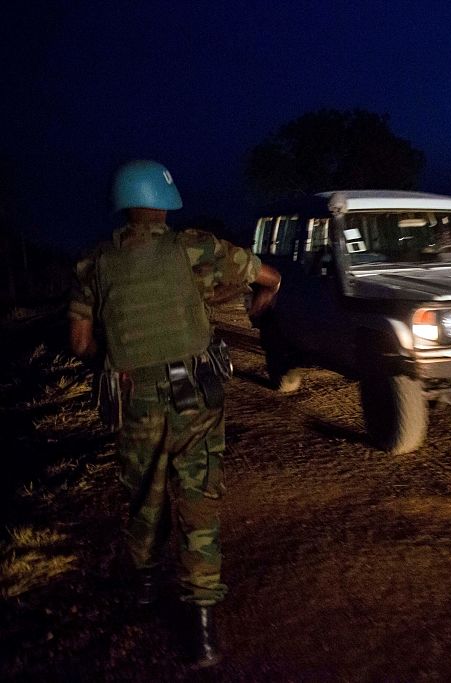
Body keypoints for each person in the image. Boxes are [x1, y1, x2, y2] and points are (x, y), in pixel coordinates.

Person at [68, 160, 281, 667]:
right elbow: (267, 276)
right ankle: (202, 626)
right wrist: (263, 296)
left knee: (144, 494)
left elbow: (79, 343)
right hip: (195, 398)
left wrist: (117, 356)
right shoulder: (195, 247)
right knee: (197, 497)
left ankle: (142, 588)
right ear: (165, 202)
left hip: (133, 397)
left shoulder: (93, 263)